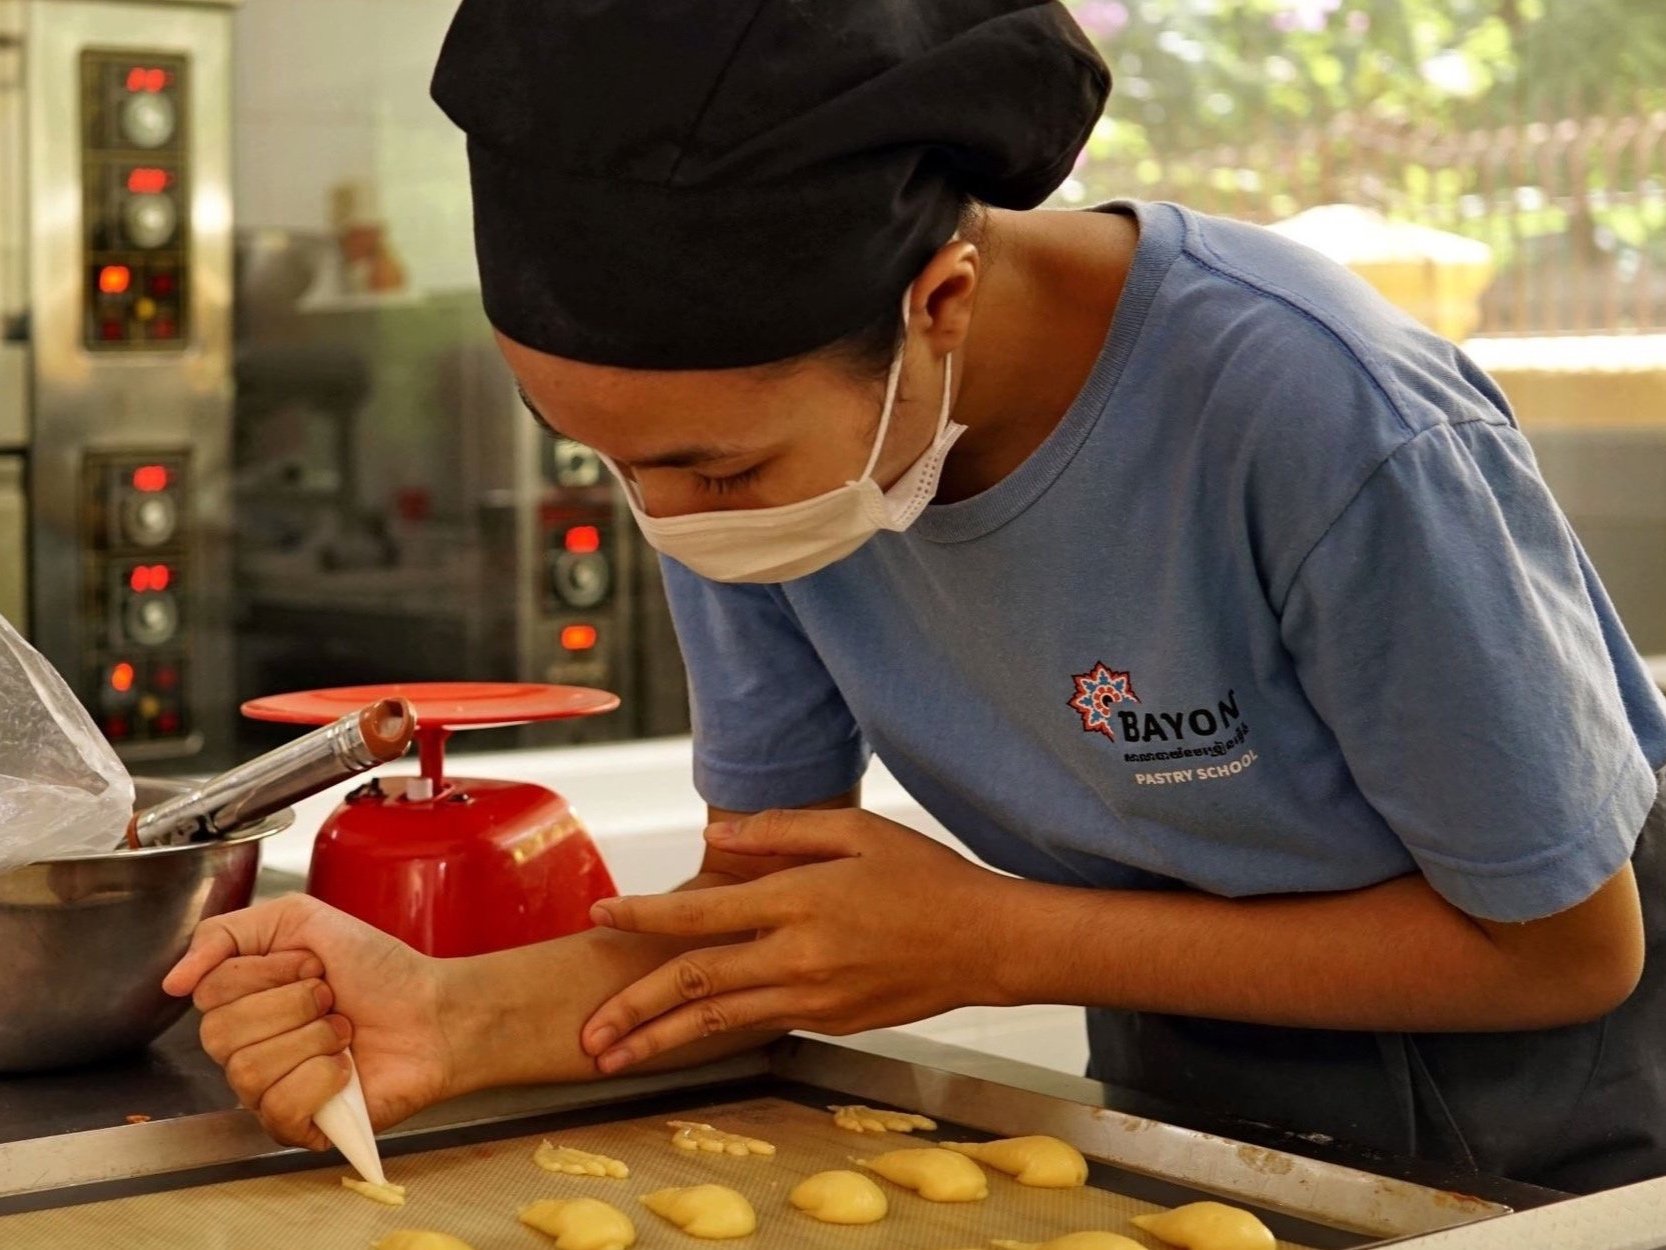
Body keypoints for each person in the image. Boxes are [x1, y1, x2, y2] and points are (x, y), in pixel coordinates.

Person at [165, 0, 1666, 1193]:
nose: (669, 518)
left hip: (1564, 1115)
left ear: (935, 304)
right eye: (611, 464)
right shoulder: (770, 484)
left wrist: (999, 938)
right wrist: (442, 1012)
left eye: (711, 466)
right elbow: (763, 929)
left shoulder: (1316, 416)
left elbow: (1563, 945)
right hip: (1191, 1096)